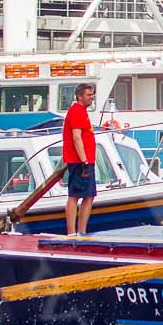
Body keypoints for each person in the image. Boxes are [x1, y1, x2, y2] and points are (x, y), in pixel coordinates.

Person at [63, 80, 98, 237]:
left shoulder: (82, 111)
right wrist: (84, 161)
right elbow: (76, 137)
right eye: (89, 95)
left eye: (92, 95)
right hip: (79, 161)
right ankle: (72, 232)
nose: (92, 98)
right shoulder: (77, 111)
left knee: (89, 195)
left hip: (86, 160)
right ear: (80, 96)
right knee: (75, 195)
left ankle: (82, 231)